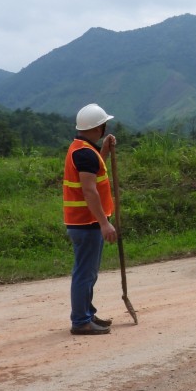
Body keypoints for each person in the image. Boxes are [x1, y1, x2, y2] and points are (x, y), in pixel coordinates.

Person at [63, 103, 118, 335]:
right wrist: (104, 223)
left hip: (86, 222)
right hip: (87, 223)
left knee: (89, 273)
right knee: (85, 273)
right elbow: (89, 190)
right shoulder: (84, 153)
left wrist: (104, 149)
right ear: (98, 128)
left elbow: (95, 170)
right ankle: (81, 321)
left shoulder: (84, 149)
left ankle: (87, 313)